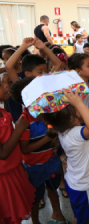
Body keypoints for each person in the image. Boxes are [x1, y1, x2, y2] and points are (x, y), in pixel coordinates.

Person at [10, 77, 68, 224]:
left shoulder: (48, 113)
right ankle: (36, 221)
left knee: (53, 189)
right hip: (34, 168)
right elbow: (25, 148)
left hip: (52, 161)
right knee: (35, 198)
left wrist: (55, 141)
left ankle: (57, 214)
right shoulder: (24, 121)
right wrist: (48, 139)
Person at [40, 86, 89, 224]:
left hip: (75, 182)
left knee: (79, 214)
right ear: (71, 117)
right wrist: (79, 103)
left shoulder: (64, 131)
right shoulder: (75, 133)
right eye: (76, 108)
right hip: (84, 186)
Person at [0, 81, 36, 224]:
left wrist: (20, 166)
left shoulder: (3, 112)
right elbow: (2, 154)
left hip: (14, 170)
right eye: (1, 85)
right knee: (8, 215)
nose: (6, 86)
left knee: (15, 214)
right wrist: (20, 127)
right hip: (3, 179)